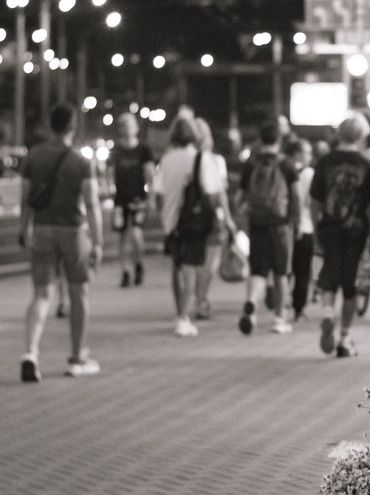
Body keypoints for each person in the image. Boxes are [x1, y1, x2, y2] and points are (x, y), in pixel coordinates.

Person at [19, 102, 103, 381]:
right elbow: (91, 203)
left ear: (49, 125)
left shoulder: (34, 157)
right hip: (73, 232)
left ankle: (30, 352)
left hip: (42, 230)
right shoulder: (81, 162)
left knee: (42, 294)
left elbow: (26, 198)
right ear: (73, 126)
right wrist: (99, 241)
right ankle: (77, 358)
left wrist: (24, 228)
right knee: (79, 293)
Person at [309, 113, 370, 356]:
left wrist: (316, 226)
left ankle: (328, 312)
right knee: (350, 281)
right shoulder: (365, 164)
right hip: (356, 230)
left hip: (329, 226)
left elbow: (315, 200)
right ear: (360, 136)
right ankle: (345, 338)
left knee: (330, 271)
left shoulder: (326, 161)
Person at [153, 115, 227, 337]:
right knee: (191, 267)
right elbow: (214, 192)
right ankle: (184, 317)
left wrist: (165, 214)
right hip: (193, 221)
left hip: (171, 221)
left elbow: (158, 193)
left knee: (177, 267)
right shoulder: (200, 159)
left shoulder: (166, 160)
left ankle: (179, 311)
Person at [237, 118, 300, 335]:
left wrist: (242, 224)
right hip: (281, 225)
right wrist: (297, 223)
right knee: (281, 274)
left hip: (257, 224)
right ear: (279, 139)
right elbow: (296, 197)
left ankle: (252, 305)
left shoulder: (251, 165)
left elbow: (242, 198)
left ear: (260, 139)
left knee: (258, 271)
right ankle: (280, 318)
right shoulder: (287, 164)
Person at [192, 117, 237, 321]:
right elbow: (221, 194)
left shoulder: (183, 159)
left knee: (193, 262)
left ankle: (196, 299)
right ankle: (201, 299)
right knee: (210, 261)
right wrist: (228, 219)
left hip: (190, 217)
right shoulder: (216, 161)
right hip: (212, 217)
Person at [108, 112, 154, 289]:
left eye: (129, 125)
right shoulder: (116, 150)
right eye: (123, 125)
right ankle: (125, 271)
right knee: (122, 237)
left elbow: (150, 174)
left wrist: (149, 197)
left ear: (135, 128)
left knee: (136, 233)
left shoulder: (143, 150)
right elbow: (110, 173)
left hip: (138, 198)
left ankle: (138, 263)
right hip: (120, 198)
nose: (126, 129)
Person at [285, 137, 315, 322]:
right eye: (307, 152)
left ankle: (279, 302)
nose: (310, 156)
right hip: (305, 226)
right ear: (298, 154)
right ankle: (299, 307)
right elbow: (311, 202)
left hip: (284, 226)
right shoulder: (309, 174)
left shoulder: (284, 170)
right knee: (302, 271)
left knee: (285, 270)